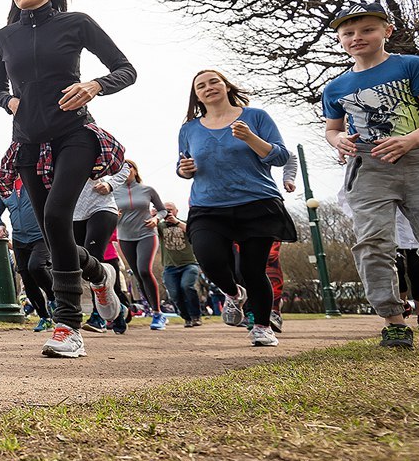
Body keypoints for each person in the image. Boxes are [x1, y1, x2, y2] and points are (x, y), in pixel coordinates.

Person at [0, 0, 134, 359]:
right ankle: (99, 275)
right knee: (56, 234)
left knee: (56, 218)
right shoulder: (3, 37)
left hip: (74, 134)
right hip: (28, 142)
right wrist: (10, 101)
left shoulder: (76, 23)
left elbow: (126, 69)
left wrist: (94, 86)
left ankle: (69, 325)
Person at [322, 1, 419, 349]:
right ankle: (393, 320)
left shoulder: (411, 66)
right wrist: (340, 141)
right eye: (348, 32)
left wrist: (409, 140)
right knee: (372, 243)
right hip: (369, 166)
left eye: (367, 29)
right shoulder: (335, 87)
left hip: (417, 158)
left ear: (387, 31)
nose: (357, 37)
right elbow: (332, 128)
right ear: (339, 39)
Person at [178, 69, 295, 347]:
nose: (209, 88)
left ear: (226, 86)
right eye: (201, 86)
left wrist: (250, 138)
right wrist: (184, 170)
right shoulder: (189, 129)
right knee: (209, 258)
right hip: (208, 206)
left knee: (254, 270)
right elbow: (183, 165)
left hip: (256, 203)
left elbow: (280, 156)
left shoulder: (255, 117)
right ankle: (232, 293)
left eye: (214, 81)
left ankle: (262, 326)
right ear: (196, 95)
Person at [72, 162, 132, 333]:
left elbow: (125, 166)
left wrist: (110, 184)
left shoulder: (91, 141)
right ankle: (119, 310)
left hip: (101, 207)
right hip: (74, 214)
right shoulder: (49, 154)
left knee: (93, 259)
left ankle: (99, 316)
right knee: (86, 267)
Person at [0, 177, 54, 331]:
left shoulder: (35, 180)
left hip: (41, 235)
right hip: (19, 238)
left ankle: (54, 299)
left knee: (36, 267)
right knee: (27, 278)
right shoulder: (4, 187)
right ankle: (44, 317)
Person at [114, 160, 170, 330]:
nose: (125, 170)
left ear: (134, 170)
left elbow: (162, 210)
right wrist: (113, 215)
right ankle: (154, 312)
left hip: (146, 234)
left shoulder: (147, 190)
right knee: (138, 275)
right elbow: (106, 212)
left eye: (128, 167)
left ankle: (158, 313)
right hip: (125, 237)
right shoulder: (113, 192)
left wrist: (156, 219)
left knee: (145, 270)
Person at [157, 202, 201, 326]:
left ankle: (196, 316)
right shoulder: (161, 226)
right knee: (174, 294)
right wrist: (154, 216)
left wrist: (176, 222)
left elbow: (192, 231)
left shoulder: (184, 223)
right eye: (166, 210)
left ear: (176, 211)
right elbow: (147, 228)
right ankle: (186, 317)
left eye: (171, 210)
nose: (169, 212)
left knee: (187, 286)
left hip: (189, 264)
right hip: (170, 266)